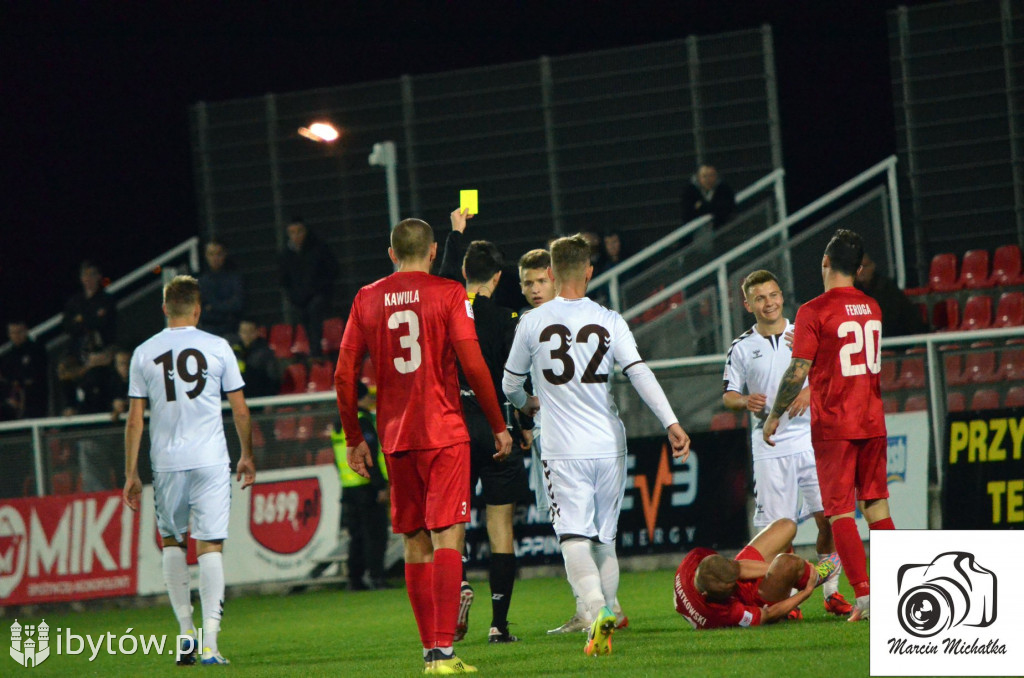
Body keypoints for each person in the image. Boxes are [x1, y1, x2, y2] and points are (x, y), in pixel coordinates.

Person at [334, 217, 513, 675]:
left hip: (396, 437)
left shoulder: (366, 298)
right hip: (444, 430)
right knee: (448, 535)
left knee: (415, 541)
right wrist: (498, 424)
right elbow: (473, 363)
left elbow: (343, 373)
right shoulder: (449, 293)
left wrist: (355, 437)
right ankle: (444, 652)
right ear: (434, 253)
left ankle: (429, 653)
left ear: (391, 253)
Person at [503, 234, 691, 657]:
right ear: (589, 271)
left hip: (563, 447)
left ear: (551, 274)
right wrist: (671, 422)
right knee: (605, 538)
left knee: (573, 536)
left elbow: (510, 383)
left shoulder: (531, 323)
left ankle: (595, 611)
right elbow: (639, 373)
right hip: (609, 444)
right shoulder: (609, 319)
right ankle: (608, 611)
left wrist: (528, 404)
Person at [122, 275, 256, 665]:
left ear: (165, 308)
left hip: (166, 463)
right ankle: (211, 642)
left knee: (173, 542)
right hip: (212, 459)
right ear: (197, 309)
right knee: (210, 544)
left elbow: (134, 420)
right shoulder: (218, 347)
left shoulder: (144, 353)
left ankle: (185, 633)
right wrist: (246, 453)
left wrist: (131, 473)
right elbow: (241, 408)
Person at [764, 228, 895, 623]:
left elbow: (798, 369)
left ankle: (867, 596)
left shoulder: (814, 310)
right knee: (877, 507)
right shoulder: (872, 307)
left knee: (839, 513)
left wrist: (773, 415)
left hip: (836, 424)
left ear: (824, 262)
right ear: (858, 269)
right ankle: (898, 590)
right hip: (872, 419)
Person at [722, 270, 852, 616]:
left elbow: (836, 370)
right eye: (761, 298)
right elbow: (728, 395)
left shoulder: (805, 331)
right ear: (748, 304)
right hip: (771, 445)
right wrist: (743, 400)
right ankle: (787, 597)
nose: (769, 303)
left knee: (829, 519)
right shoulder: (741, 347)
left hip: (813, 440)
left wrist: (811, 390)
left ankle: (831, 593)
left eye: (774, 295)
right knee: (780, 531)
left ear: (782, 297)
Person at [440, 208, 529, 645]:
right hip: (497, 432)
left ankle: (457, 587)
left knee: (453, 523)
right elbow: (515, 383)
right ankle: (498, 624)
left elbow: (441, 279)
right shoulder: (508, 320)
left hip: (453, 429)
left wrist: (456, 233)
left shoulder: (447, 310)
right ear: (497, 277)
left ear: (462, 273)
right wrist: (523, 425)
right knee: (501, 527)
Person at [673, 518, 840, 630]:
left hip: (736, 577)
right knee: (788, 564)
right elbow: (767, 615)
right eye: (729, 590)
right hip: (753, 602)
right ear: (707, 595)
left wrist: (774, 570)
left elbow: (737, 567)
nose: (733, 588)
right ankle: (815, 577)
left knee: (786, 526)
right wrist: (806, 592)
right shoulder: (720, 614)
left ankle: (799, 574)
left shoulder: (694, 558)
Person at [331, 381, 390, 591]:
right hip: (366, 486)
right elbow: (370, 456)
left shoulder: (339, 423)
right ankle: (377, 577)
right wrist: (380, 486)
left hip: (348, 488)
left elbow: (336, 459)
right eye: (368, 397)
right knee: (375, 535)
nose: (371, 401)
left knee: (356, 536)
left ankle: (354, 579)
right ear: (361, 399)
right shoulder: (363, 422)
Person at [279, 219, 338, 358]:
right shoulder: (286, 255)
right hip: (299, 300)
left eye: (299, 232)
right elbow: (284, 279)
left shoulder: (319, 249)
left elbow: (332, 271)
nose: (296, 236)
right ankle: (312, 353)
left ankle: (316, 353)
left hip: (319, 295)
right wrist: (294, 296)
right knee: (304, 317)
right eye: (292, 233)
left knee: (314, 313)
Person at [855, 252, 930, 337]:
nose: (860, 271)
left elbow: (892, 319)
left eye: (864, 267)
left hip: (901, 335)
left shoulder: (887, 287)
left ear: (873, 266)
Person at [63, 260, 117, 360]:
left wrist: (82, 320)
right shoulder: (75, 302)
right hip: (79, 349)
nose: (88, 279)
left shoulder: (106, 299)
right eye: (85, 275)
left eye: (92, 274)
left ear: (98, 276)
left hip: (103, 346)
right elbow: (67, 326)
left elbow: (104, 323)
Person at [0, 320, 48, 418]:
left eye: (19, 332)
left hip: (34, 397)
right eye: (13, 332)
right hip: (12, 396)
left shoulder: (37, 349)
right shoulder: (8, 355)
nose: (16, 335)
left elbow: (37, 375)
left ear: (26, 331)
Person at [198, 240, 245, 338]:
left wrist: (213, 307)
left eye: (218, 254)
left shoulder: (235, 278)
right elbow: (201, 311)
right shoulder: (201, 281)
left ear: (224, 254)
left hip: (232, 330)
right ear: (206, 256)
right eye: (211, 254)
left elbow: (237, 305)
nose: (215, 258)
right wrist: (223, 307)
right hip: (208, 332)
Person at [231, 319, 280, 397]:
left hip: (259, 396)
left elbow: (273, 378)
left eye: (250, 332)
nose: (247, 335)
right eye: (244, 332)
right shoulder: (234, 352)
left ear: (257, 332)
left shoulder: (265, 353)